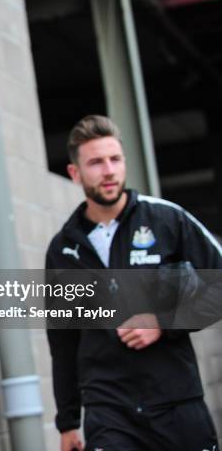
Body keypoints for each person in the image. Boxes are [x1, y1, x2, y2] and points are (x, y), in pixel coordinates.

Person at [46, 114, 221, 451]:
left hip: (177, 404)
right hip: (109, 413)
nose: (109, 170)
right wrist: (67, 422)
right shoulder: (62, 248)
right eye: (96, 162)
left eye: (115, 159)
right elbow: (63, 341)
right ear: (75, 173)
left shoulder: (167, 219)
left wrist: (163, 322)